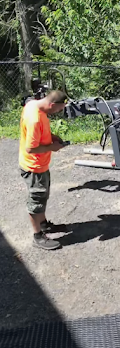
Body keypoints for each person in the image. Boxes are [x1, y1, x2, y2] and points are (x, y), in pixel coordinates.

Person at [19, 90, 68, 250]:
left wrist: (51, 136)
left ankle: (44, 225)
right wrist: (52, 147)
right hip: (34, 167)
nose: (57, 113)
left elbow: (38, 135)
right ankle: (38, 236)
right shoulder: (35, 119)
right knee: (36, 202)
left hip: (40, 166)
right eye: (58, 110)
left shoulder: (34, 105)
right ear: (52, 105)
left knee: (42, 197)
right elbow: (31, 149)